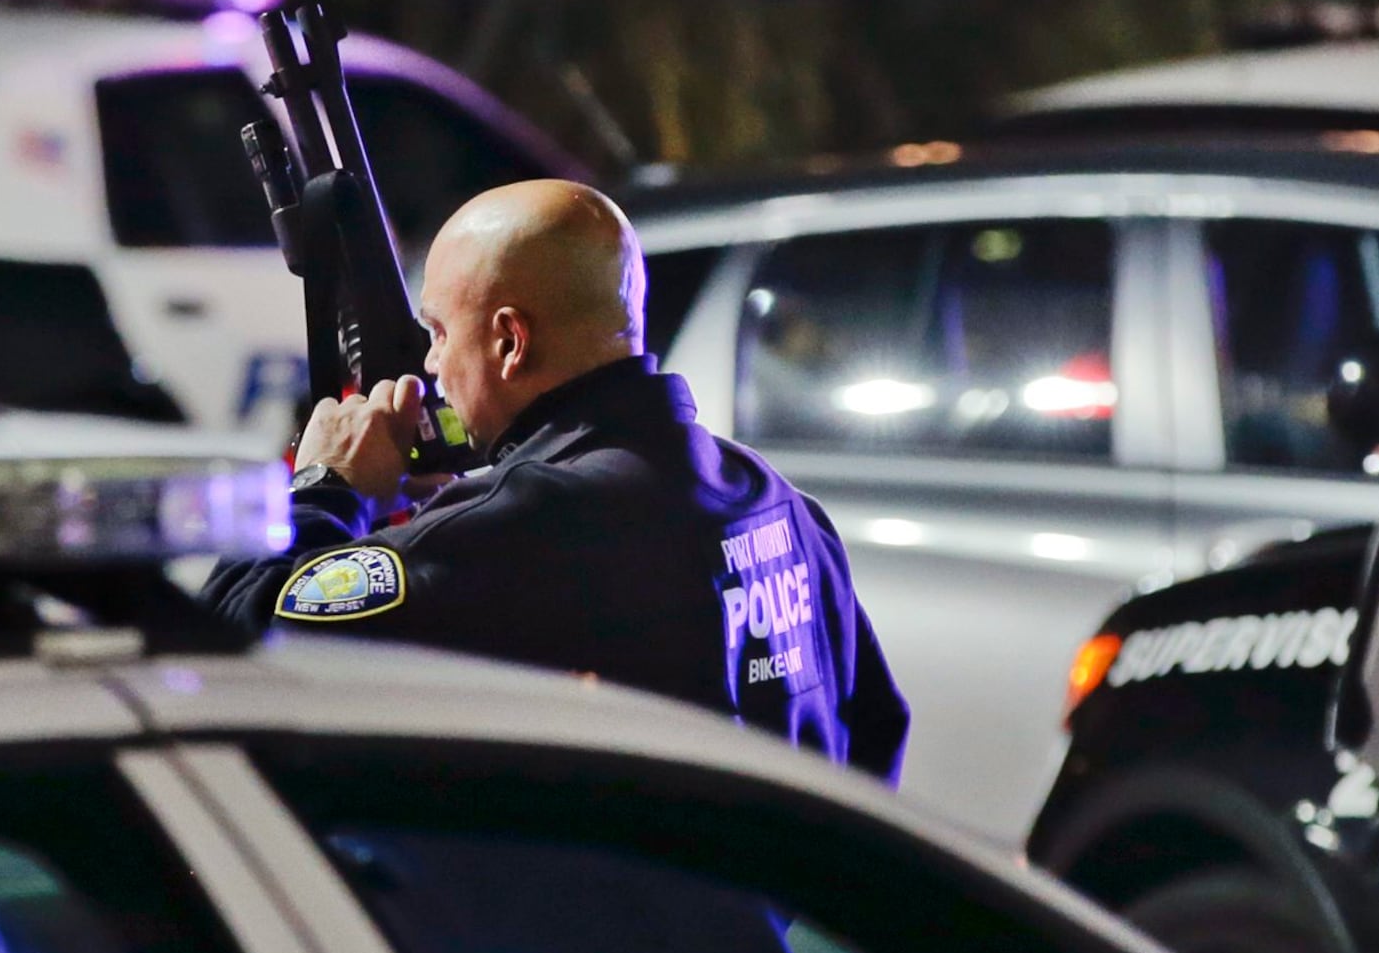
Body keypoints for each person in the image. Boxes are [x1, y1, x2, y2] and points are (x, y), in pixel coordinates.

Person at [202, 178, 904, 780]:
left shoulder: (535, 522)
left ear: (509, 341)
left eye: (439, 333)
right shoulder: (781, 506)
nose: (433, 365)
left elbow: (229, 642)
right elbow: (873, 743)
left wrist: (326, 487)